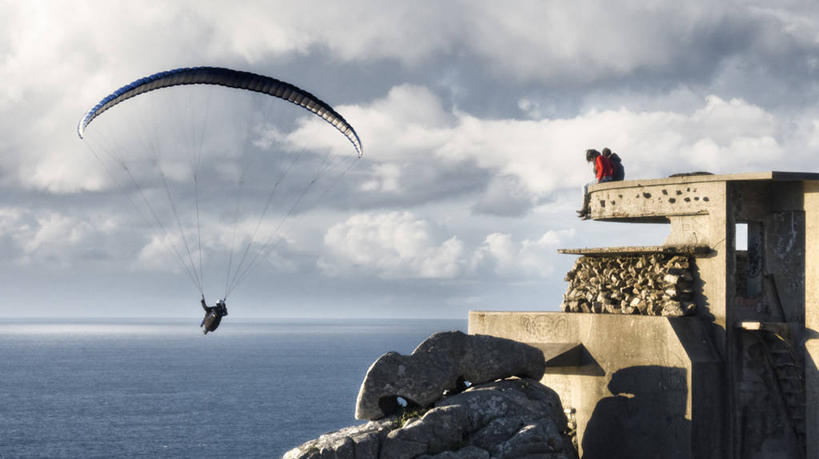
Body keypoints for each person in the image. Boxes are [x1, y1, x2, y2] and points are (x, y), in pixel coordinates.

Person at [577, 149, 614, 219]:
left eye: (590, 159)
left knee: (585, 186)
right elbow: (612, 166)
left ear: (592, 156)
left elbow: (602, 168)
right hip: (608, 178)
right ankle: (586, 209)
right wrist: (610, 176)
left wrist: (599, 179)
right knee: (589, 186)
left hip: (603, 178)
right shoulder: (605, 158)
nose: (591, 161)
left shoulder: (598, 158)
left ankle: (584, 207)